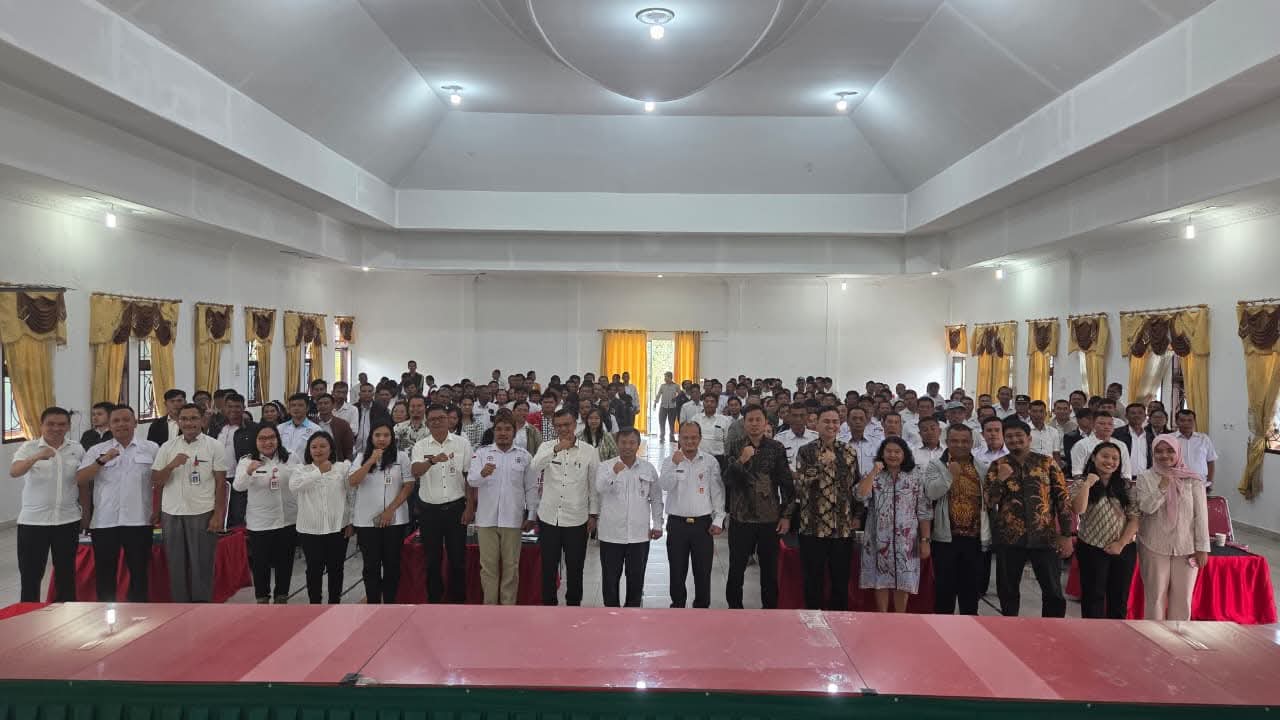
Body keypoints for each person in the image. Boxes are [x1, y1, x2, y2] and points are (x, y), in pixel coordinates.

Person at [985, 418, 1073, 617]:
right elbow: (989, 501)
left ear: (1029, 438)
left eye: (1019, 436)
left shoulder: (1047, 463)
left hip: (1044, 536)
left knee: (1053, 591)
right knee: (1007, 591)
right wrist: (1000, 479)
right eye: (1009, 436)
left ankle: (1052, 629)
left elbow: (1063, 500)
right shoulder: (998, 465)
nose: (1014, 440)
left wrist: (1067, 535)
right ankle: (1010, 628)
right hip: (1009, 538)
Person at [76, 405, 158, 602]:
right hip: (105, 521)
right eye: (116, 421)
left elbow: (161, 480)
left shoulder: (151, 448)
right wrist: (101, 461)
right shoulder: (97, 450)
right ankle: (106, 613)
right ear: (110, 425)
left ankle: (138, 613)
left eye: (126, 420)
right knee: (105, 574)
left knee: (139, 572)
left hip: (139, 520)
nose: (121, 424)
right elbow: (80, 478)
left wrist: (158, 510)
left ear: (135, 423)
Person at [150, 403, 229, 602]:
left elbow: (221, 483)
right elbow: (157, 480)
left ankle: (201, 607)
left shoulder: (214, 446)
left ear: (202, 420)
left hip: (202, 512)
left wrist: (218, 514)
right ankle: (181, 606)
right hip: (172, 513)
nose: (189, 423)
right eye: (184, 419)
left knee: (202, 564)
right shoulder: (168, 447)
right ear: (178, 422)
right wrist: (171, 465)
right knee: (176, 565)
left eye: (194, 418)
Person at [723, 405, 793, 609]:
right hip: (740, 517)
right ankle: (734, 609)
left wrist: (786, 515)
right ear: (744, 423)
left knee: (769, 570)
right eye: (750, 420)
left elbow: (786, 483)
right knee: (736, 568)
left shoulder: (776, 448)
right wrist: (742, 460)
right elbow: (727, 479)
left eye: (758, 420)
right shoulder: (735, 446)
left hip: (769, 518)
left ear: (765, 423)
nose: (754, 424)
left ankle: (769, 610)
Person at [1134, 434, 1209, 621]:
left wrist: (1202, 548)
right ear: (1152, 453)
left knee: (1183, 598)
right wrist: (1162, 486)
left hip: (1186, 546)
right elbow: (1146, 507)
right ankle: (1154, 635)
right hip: (1153, 544)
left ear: (1178, 452)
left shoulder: (1193, 479)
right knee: (1155, 596)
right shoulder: (1145, 477)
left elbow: (1201, 516)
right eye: (1159, 451)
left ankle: (1178, 635)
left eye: (1170, 451)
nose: (1164, 455)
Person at [11, 407, 84, 602]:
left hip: (68, 520)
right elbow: (15, 471)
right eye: (50, 424)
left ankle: (66, 615)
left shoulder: (77, 449)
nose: (56, 428)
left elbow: (83, 481)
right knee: (31, 576)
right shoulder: (29, 447)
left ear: (68, 426)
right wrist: (36, 457)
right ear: (41, 425)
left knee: (66, 575)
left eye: (61, 424)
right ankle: (29, 615)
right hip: (34, 522)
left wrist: (86, 514)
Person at [793, 407, 861, 611]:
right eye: (826, 421)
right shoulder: (805, 451)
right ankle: (813, 619)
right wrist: (822, 466)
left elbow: (854, 486)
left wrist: (857, 515)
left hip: (842, 527)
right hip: (812, 526)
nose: (831, 425)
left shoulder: (849, 451)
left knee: (840, 580)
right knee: (813, 579)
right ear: (816, 424)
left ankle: (838, 619)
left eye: (835, 421)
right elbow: (800, 484)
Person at [468, 413, 539, 605]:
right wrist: (482, 473)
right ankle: (490, 606)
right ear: (493, 431)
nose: (503, 433)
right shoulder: (481, 453)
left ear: (514, 432)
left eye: (507, 429)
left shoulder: (524, 456)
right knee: (488, 567)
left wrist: (531, 515)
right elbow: (471, 480)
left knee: (511, 567)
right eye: (499, 429)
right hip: (486, 520)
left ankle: (508, 607)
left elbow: (531, 488)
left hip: (513, 519)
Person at [530, 409, 599, 606]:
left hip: (577, 519)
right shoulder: (547, 446)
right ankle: (549, 606)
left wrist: (593, 515)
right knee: (548, 567)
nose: (563, 429)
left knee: (575, 567)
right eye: (558, 426)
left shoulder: (589, 451)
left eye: (567, 425)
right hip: (549, 517)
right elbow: (534, 467)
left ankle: (573, 607)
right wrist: (557, 448)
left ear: (575, 425)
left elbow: (594, 486)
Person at [856, 437, 932, 612]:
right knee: (880, 580)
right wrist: (874, 471)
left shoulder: (915, 475)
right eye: (888, 451)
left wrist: (925, 540)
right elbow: (860, 495)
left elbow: (924, 511)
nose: (892, 455)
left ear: (904, 454)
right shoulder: (875, 475)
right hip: (878, 539)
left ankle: (900, 618)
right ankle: (882, 617)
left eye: (897, 452)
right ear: (882, 454)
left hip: (907, 540)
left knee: (903, 580)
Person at [410, 404, 474, 603]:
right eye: (433, 419)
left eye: (441, 418)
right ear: (427, 423)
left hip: (456, 509)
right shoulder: (421, 446)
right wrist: (432, 461)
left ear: (449, 420)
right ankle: (434, 602)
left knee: (457, 560)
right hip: (429, 512)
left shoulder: (462, 444)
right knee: (432, 561)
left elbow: (469, 477)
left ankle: (458, 602)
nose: (437, 422)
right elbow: (415, 471)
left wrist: (470, 507)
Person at [923, 424, 989, 614]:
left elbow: (989, 501)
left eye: (964, 441)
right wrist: (949, 475)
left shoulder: (981, 468)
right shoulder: (936, 465)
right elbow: (932, 493)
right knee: (944, 591)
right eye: (954, 441)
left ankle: (970, 627)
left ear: (972, 442)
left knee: (971, 592)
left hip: (974, 539)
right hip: (945, 539)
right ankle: (943, 629)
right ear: (946, 441)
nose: (960, 445)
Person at [659, 421, 725, 608]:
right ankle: (677, 606)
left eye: (694, 437)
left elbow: (717, 492)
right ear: (679, 438)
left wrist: (719, 518)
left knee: (703, 571)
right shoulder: (670, 461)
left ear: (700, 438)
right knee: (677, 570)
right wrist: (675, 465)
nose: (689, 441)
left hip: (702, 525)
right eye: (685, 437)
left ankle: (702, 608)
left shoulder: (710, 461)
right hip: (677, 524)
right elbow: (665, 485)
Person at [595, 428, 664, 607]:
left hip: (639, 536)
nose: (627, 447)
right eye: (623, 442)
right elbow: (600, 488)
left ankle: (632, 614)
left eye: (632, 443)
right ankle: (612, 615)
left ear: (638, 444)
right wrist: (614, 473)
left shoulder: (648, 468)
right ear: (617, 444)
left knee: (636, 580)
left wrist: (657, 524)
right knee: (610, 581)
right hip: (611, 535)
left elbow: (656, 498)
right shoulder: (606, 466)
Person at [349, 421, 415, 604]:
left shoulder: (401, 457)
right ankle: (373, 603)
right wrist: (370, 460)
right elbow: (353, 481)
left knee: (392, 564)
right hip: (366, 521)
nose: (382, 439)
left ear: (392, 438)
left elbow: (408, 485)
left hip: (395, 519)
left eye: (386, 435)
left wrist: (390, 510)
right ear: (371, 437)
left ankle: (390, 603)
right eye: (377, 435)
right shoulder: (361, 457)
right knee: (371, 566)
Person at [1072, 442, 1140, 619]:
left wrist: (1120, 544)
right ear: (1094, 458)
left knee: (1119, 598)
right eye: (1105, 456)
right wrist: (1088, 483)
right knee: (1093, 597)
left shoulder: (1126, 486)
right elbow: (1078, 509)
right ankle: (1093, 633)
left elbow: (1134, 519)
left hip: (1123, 548)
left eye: (1115, 458)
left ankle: (1116, 632)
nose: (1110, 461)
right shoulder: (1080, 483)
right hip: (1091, 547)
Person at [233, 424, 298, 603]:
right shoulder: (246, 461)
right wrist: (249, 471)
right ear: (255, 441)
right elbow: (238, 486)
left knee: (285, 563)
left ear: (278, 439)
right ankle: (262, 598)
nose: (268, 442)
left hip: (287, 519)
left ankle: (281, 597)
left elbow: (299, 480)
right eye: (262, 438)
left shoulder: (290, 457)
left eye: (272, 438)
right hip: (260, 522)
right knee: (261, 564)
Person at [290, 432, 352, 604]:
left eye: (323, 446)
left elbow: (351, 494)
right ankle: (315, 604)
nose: (318, 450)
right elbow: (294, 487)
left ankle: (334, 603)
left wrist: (350, 521)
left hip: (337, 527)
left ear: (331, 448)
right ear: (309, 450)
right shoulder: (301, 470)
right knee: (313, 569)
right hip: (310, 529)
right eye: (314, 447)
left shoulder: (342, 468)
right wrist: (318, 472)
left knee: (336, 568)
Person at [1070, 412, 1132, 480]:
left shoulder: (1121, 445)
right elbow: (1077, 473)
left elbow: (1126, 473)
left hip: (1116, 483)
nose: (1106, 427)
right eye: (1102, 424)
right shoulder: (1081, 445)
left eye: (1110, 424)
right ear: (1093, 425)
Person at [1174, 409, 1217, 490]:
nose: (1186, 423)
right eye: (1182, 420)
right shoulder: (1170, 439)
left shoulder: (1203, 438)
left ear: (1194, 422)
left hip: (1201, 484)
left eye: (1190, 420)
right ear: (1176, 422)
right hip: (1177, 485)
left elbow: (1210, 461)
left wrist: (1210, 482)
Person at [775, 402, 819, 472]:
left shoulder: (816, 437)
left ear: (807, 417)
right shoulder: (779, 439)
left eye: (802, 415)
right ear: (789, 417)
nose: (798, 419)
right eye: (794, 416)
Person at [692, 393, 730, 469]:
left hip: (718, 458)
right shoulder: (696, 418)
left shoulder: (724, 420)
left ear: (717, 404)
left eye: (712, 401)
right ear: (703, 403)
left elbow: (727, 442)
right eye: (706, 401)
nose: (709, 404)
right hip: (699, 458)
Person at [314, 393, 355, 462]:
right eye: (320, 403)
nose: (323, 406)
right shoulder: (312, 423)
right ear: (317, 406)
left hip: (336, 464)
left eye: (326, 403)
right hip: (315, 463)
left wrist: (346, 464)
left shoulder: (343, 425)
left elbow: (348, 450)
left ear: (333, 405)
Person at [1113, 403, 1150, 474]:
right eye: (1133, 413)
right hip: (1123, 476)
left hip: (1145, 477)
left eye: (1140, 413)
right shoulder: (1117, 434)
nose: (1137, 415)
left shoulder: (1150, 436)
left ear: (1145, 416)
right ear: (1126, 416)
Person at [279, 393, 320, 458]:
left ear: (307, 408)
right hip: (282, 464)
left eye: (300, 405)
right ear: (289, 408)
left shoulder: (316, 430)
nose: (296, 408)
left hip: (305, 464)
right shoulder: (280, 428)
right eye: (293, 405)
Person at [1027, 400, 1063, 466]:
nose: (1038, 414)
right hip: (1029, 465)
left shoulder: (1053, 431)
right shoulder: (1024, 430)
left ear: (1045, 414)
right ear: (1029, 413)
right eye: (1034, 411)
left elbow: (1056, 453)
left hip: (1049, 466)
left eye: (1041, 411)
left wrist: (1058, 469)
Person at [1062, 408, 1095, 478]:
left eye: (1093, 419)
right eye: (1088, 418)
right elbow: (1070, 458)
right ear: (1078, 420)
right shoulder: (1070, 437)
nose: (1091, 421)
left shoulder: (1097, 435)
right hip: (1077, 471)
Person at [655, 371, 681, 442]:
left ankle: (671, 437)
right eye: (665, 377)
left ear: (670, 377)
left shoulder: (676, 386)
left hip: (672, 407)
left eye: (666, 377)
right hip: (663, 407)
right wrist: (655, 402)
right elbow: (658, 394)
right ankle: (662, 437)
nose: (665, 379)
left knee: (672, 423)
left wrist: (675, 398)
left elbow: (680, 394)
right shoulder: (662, 386)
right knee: (662, 422)